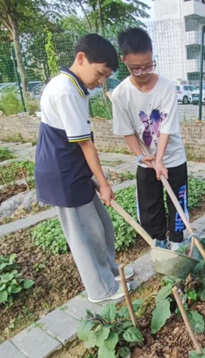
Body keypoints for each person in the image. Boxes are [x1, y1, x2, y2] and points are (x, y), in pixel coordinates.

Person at [35, 34, 134, 303]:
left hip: (74, 169)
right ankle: (100, 291)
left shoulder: (75, 87)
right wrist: (104, 183)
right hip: (63, 175)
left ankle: (111, 273)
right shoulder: (65, 90)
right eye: (100, 73)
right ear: (81, 58)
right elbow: (86, 144)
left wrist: (96, 178)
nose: (101, 81)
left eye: (106, 77)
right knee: (85, 236)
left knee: (101, 227)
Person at [111, 27, 188, 250]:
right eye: (136, 68)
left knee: (177, 201)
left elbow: (167, 128)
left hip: (172, 156)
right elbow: (127, 132)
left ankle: (177, 242)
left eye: (148, 65)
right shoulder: (120, 94)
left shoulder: (166, 87)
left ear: (152, 56)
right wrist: (141, 156)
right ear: (124, 61)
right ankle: (159, 242)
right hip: (145, 159)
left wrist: (160, 160)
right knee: (149, 205)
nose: (143, 72)